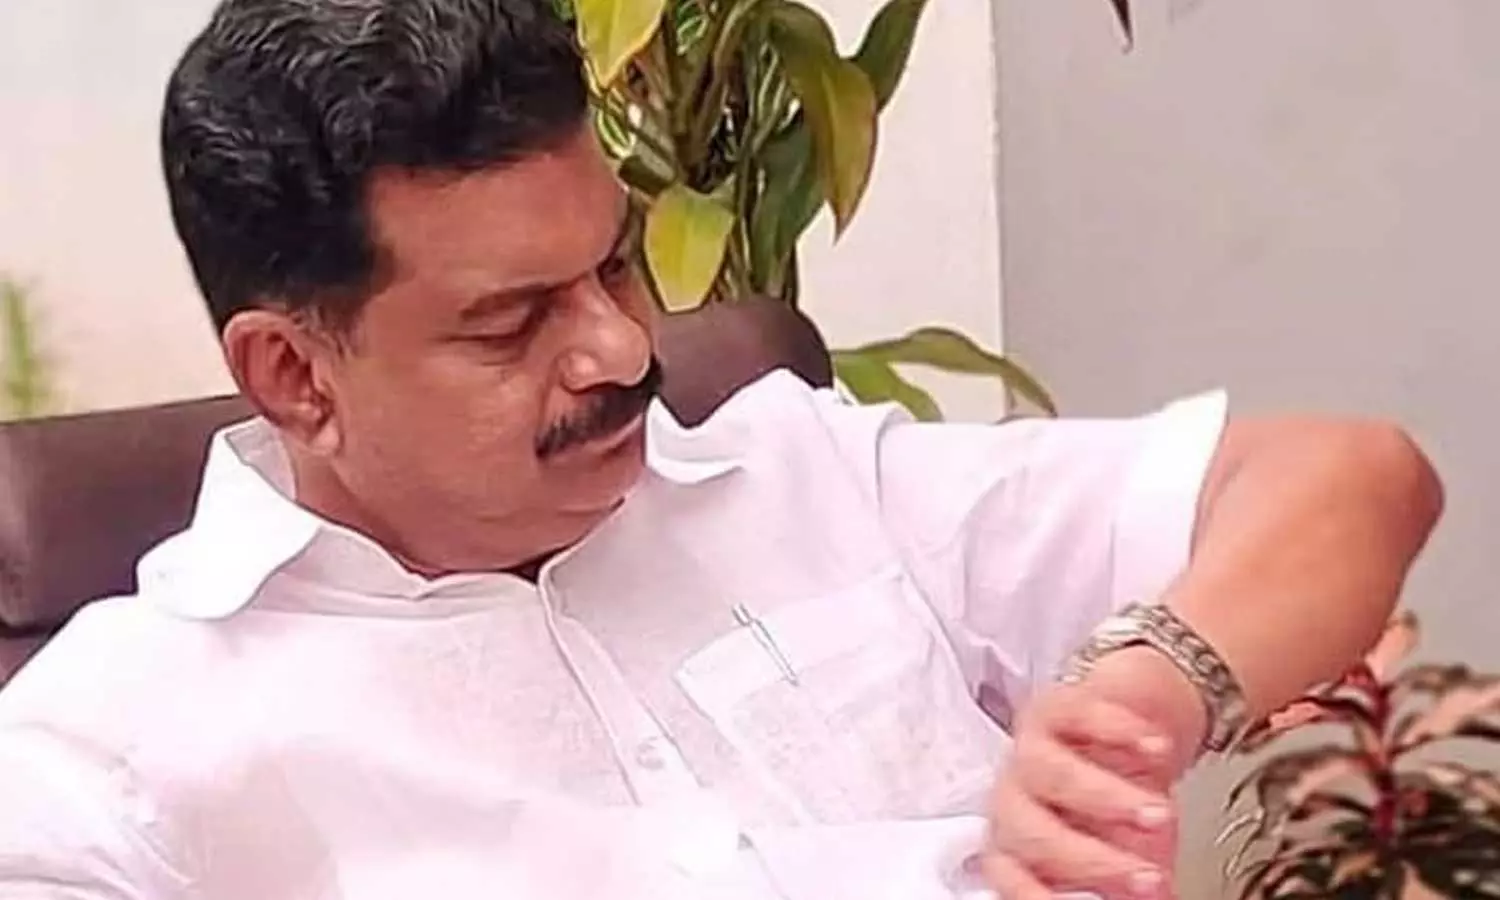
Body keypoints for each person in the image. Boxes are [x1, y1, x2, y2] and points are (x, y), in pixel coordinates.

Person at [0, 0, 1443, 897]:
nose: (620, 351)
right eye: (512, 322)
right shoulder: (110, 760)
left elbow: (1354, 477)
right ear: (293, 376)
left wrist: (1147, 686)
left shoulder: (801, 474)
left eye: (616, 265)